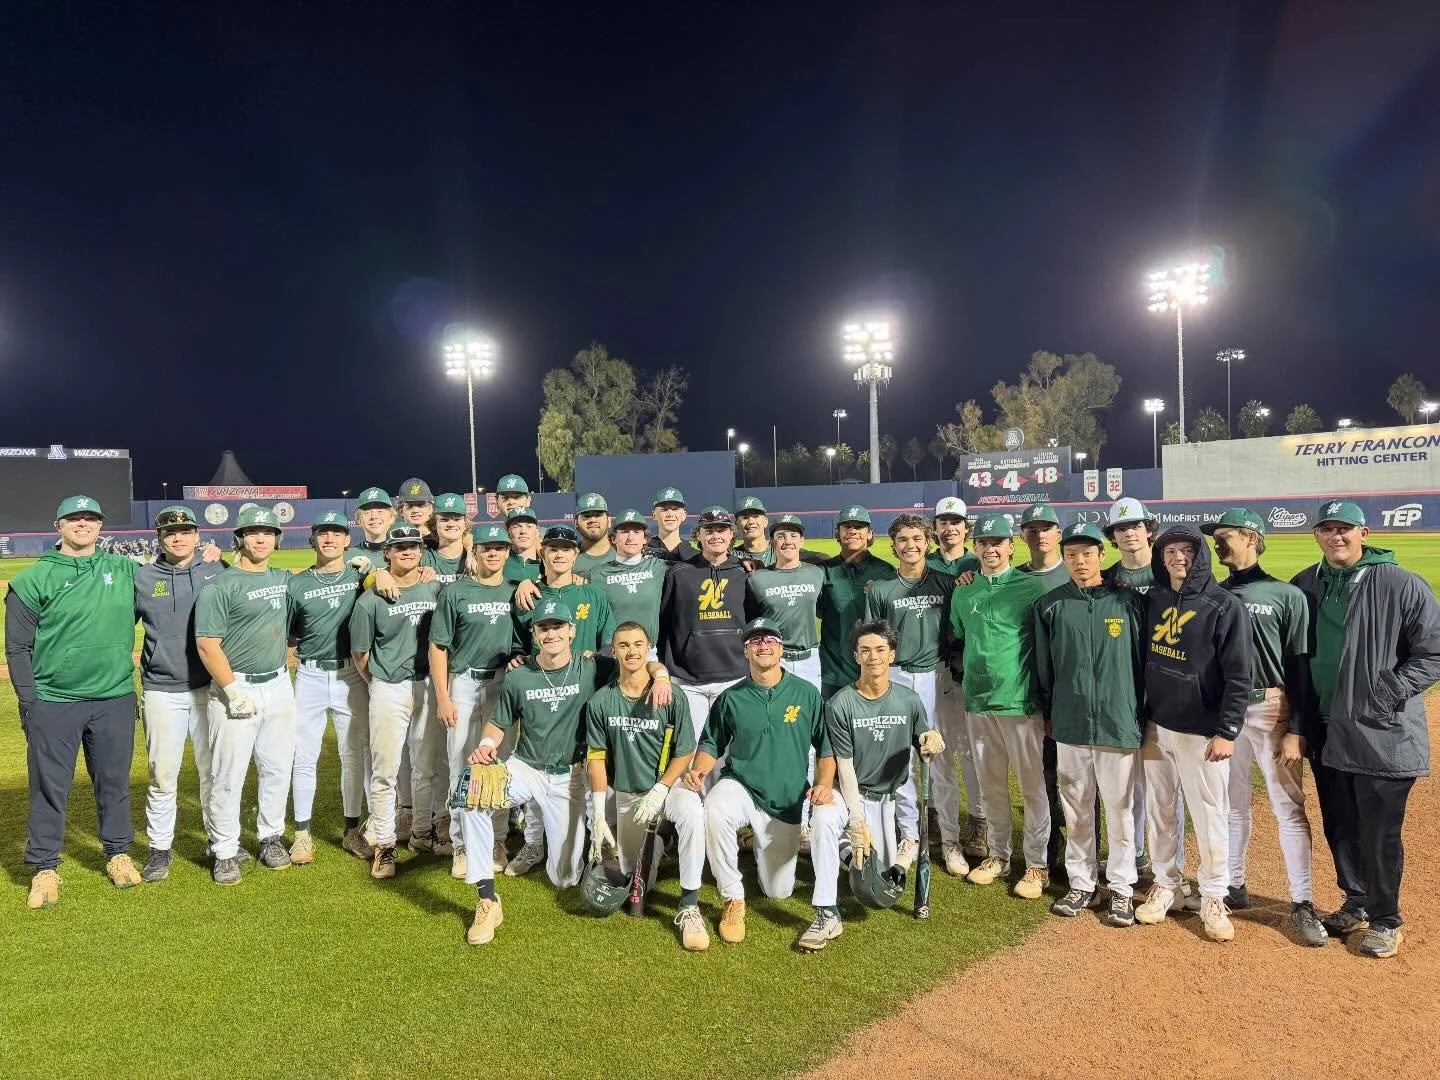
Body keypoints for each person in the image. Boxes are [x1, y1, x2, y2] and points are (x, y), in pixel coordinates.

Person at [455, 599, 672, 944]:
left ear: (572, 632)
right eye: (544, 627)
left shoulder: (593, 668)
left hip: (570, 776)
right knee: (472, 797)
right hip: (526, 767)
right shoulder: (519, 675)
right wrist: (486, 744)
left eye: (558, 626)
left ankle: (544, 841)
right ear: (535, 633)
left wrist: (661, 676)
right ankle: (486, 898)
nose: (551, 633)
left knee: (565, 877)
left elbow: (638, 660)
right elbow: (499, 722)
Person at [1290, 500, 1440, 959]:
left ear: (1364, 533)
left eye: (1346, 529)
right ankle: (1356, 900)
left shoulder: (1399, 584)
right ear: (1316, 535)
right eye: (1328, 529)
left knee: (1379, 831)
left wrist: (1385, 694)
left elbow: (1432, 652)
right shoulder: (1305, 584)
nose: (1337, 537)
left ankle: (1386, 918)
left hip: (1382, 732)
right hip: (1326, 730)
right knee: (1341, 825)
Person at [7, 496, 146, 907]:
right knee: (50, 787)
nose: (83, 524)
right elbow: (17, 649)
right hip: (54, 700)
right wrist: (30, 703)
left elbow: (170, 591)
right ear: (59, 525)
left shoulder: (125, 570)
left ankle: (118, 855)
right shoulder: (34, 579)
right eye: (75, 519)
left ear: (101, 526)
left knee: (115, 783)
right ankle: (45, 867)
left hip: (114, 697)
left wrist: (216, 561)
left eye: (90, 518)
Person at [1199, 508, 1326, 946]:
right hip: (1226, 714)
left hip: (1273, 709)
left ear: (1252, 538)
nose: (1217, 543)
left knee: (1288, 807)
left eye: (1226, 536)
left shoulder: (1285, 595)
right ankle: (1233, 884)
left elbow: (1300, 666)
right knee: (1231, 804)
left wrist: (1298, 728)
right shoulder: (1212, 593)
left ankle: (1303, 901)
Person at [683, 618, 835, 945]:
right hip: (743, 785)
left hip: (785, 801)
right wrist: (698, 769)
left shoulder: (806, 694)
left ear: (781, 648)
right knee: (715, 808)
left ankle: (753, 841)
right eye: (755, 641)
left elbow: (826, 748)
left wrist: (823, 784)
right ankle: (733, 898)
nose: (763, 645)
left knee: (778, 891)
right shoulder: (732, 697)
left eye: (770, 640)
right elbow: (712, 742)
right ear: (745, 650)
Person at [1134, 525, 1251, 942]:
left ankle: (1215, 893)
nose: (1178, 557)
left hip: (1202, 731)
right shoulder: (1154, 599)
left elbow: (1240, 676)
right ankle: (1167, 884)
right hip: (1157, 724)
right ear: (1160, 557)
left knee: (1209, 814)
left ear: (1200, 555)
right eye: (1170, 551)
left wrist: (1227, 731)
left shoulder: (1224, 605)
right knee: (1160, 811)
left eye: (1187, 550)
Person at [1032, 522, 1146, 926]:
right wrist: (1051, 712)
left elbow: (1141, 664)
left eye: (1087, 553)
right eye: (1072, 555)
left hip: (1118, 721)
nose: (1080, 562)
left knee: (1120, 807)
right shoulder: (1050, 605)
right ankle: (1082, 882)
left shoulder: (1129, 602)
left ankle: (1121, 887)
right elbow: (1045, 669)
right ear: (1064, 558)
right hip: (1070, 721)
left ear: (1102, 554)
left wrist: (1138, 712)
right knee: (1076, 808)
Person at [809, 620, 944, 952]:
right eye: (865, 650)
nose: (873, 657)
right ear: (856, 656)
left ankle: (846, 851)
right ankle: (826, 911)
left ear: (892, 656)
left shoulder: (910, 701)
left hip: (888, 802)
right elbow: (845, 769)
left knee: (875, 887)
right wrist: (856, 821)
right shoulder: (840, 704)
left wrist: (932, 741)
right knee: (824, 819)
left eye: (880, 650)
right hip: (852, 794)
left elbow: (923, 741)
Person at [584, 621, 707, 951]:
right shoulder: (600, 702)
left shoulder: (671, 695)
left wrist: (661, 790)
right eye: (623, 645)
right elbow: (596, 758)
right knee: (634, 879)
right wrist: (598, 813)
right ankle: (658, 841)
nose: (631, 651)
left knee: (693, 812)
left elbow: (684, 753)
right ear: (614, 651)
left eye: (638, 644)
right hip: (628, 792)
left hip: (669, 787)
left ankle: (690, 904)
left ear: (648, 648)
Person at [948, 512, 1050, 898]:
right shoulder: (964, 590)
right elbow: (959, 635)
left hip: (1020, 701)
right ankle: (999, 855)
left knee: (1031, 787)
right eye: (984, 543)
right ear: (975, 548)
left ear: (1011, 545)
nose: (990, 548)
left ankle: (1037, 864)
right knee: (990, 785)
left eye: (998, 542)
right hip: (977, 699)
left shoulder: (1031, 588)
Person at [194, 506, 298, 885]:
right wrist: (233, 690)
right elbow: (207, 643)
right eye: (253, 532)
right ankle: (224, 848)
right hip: (235, 686)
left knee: (276, 767)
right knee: (229, 774)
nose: (260, 538)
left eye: (268, 532)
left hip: (278, 684)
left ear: (276, 539)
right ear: (240, 537)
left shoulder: (282, 578)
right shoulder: (221, 585)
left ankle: (270, 836)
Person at [132, 506, 228, 882]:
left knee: (213, 771)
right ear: (159, 538)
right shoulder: (142, 577)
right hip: (161, 689)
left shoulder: (216, 570)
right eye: (170, 532)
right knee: (162, 774)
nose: (178, 537)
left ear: (198, 534)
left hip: (210, 688)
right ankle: (159, 849)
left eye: (186, 530)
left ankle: (221, 845)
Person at [349, 525, 443, 879]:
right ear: (386, 553)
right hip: (389, 687)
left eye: (413, 546)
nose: (407, 552)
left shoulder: (434, 586)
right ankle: (385, 845)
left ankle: (421, 832)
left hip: (428, 685)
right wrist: (379, 683)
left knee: (426, 766)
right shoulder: (371, 599)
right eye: (399, 546)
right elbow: (361, 654)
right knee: (385, 770)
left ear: (421, 551)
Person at [429, 523, 522, 880]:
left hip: (502, 684)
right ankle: (461, 844)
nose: (494, 553)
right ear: (476, 552)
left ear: (507, 553)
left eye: (500, 548)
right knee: (459, 766)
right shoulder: (457, 592)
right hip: (464, 683)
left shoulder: (516, 591)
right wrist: (443, 697)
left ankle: (497, 839)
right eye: (487, 548)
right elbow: (438, 646)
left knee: (498, 764)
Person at [863, 512, 952, 872]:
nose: (910, 546)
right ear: (893, 545)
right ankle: (909, 833)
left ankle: (950, 838)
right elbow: (873, 640)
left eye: (917, 539)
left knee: (940, 757)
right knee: (900, 758)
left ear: (928, 542)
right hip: (896, 676)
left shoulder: (948, 583)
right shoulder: (882, 589)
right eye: (903, 540)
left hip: (936, 676)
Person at [287, 510, 372, 866]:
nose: (330, 539)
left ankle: (352, 829)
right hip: (308, 675)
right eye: (323, 533)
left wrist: (374, 568)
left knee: (353, 756)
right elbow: (289, 635)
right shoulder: (298, 584)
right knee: (304, 757)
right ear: (313, 538)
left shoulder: (361, 576)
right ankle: (302, 834)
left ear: (347, 540)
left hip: (350, 675)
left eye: (337, 533)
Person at [657, 506, 751, 741]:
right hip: (688, 679)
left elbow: (754, 621)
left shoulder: (745, 573)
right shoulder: (679, 574)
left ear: (731, 535)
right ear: (698, 535)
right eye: (709, 530)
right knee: (692, 751)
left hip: (735, 675)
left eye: (722, 530)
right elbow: (664, 622)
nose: (715, 536)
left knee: (730, 751)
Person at [927, 497, 987, 864]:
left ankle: (978, 820)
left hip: (968, 666)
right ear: (935, 527)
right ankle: (935, 813)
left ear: (967, 527)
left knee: (970, 749)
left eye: (956, 522)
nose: (950, 528)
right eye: (943, 522)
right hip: (933, 665)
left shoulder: (978, 561)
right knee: (937, 747)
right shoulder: (925, 563)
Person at [815, 505, 896, 700]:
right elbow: (818, 610)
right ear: (838, 533)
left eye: (859, 527)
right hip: (833, 670)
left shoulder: (885, 572)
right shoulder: (823, 571)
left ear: (869, 534)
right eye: (847, 526)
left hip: (874, 668)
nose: (852, 531)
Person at [744, 514, 824, 690]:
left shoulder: (816, 574)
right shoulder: (757, 579)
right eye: (781, 536)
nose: (788, 541)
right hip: (774, 658)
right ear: (772, 542)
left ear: (802, 541)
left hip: (810, 659)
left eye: (794, 536)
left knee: (810, 711)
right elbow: (751, 621)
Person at [514, 524, 617, 657]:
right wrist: (516, 657)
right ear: (543, 554)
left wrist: (598, 659)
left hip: (586, 674)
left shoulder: (594, 595)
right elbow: (517, 645)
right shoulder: (527, 596)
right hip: (542, 675)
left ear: (575, 556)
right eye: (553, 549)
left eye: (566, 549)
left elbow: (609, 641)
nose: (559, 555)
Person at [591, 510, 668, 649]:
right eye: (625, 532)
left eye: (637, 532)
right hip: (612, 653)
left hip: (649, 653)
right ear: (613, 538)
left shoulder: (660, 568)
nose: (631, 537)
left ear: (645, 538)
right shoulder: (597, 574)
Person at [1101, 497, 1159, 593]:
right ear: (1113, 537)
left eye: (1136, 527)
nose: (1129, 533)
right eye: (1121, 529)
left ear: (1149, 530)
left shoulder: (1169, 571)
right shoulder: (1105, 578)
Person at [422, 492, 472, 583]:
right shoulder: (424, 557)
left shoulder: (477, 557)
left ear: (465, 524)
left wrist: (471, 552)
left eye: (457, 519)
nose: (451, 524)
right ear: (434, 524)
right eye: (444, 520)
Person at [345, 487, 395, 565]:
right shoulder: (347, 556)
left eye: (380, 511)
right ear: (359, 520)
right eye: (367, 512)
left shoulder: (405, 555)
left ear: (391, 518)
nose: (374, 516)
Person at [573, 492, 615, 578]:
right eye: (586, 516)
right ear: (576, 523)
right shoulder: (568, 559)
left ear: (609, 521)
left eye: (598, 515)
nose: (592, 520)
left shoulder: (624, 553)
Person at [643, 486, 690, 560]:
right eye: (664, 510)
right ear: (654, 515)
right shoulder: (643, 550)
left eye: (675, 509)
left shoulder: (693, 551)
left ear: (684, 515)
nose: (670, 514)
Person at [502, 506, 543, 584]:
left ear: (537, 532)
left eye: (529, 526)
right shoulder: (498, 563)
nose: (523, 531)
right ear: (508, 533)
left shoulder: (549, 566)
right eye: (516, 526)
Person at [733, 496, 774, 566]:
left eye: (756, 516)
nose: (751, 522)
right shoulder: (732, 556)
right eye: (745, 518)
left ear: (765, 521)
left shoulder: (780, 551)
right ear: (737, 525)